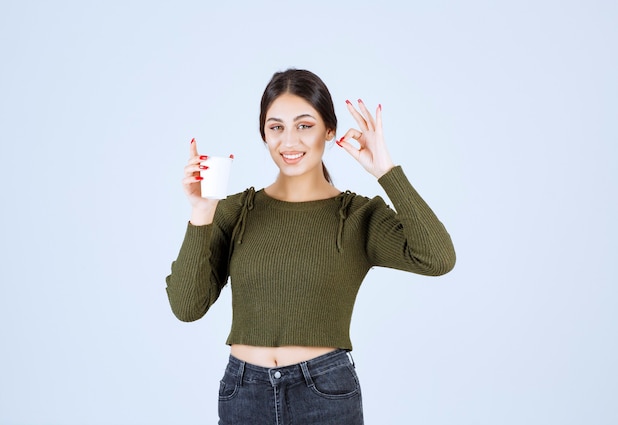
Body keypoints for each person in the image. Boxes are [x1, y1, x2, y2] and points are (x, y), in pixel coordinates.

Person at [165, 68, 456, 424]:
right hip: (243, 392)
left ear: (329, 131)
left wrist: (386, 171)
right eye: (276, 127)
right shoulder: (234, 211)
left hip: (324, 392)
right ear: (264, 134)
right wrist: (201, 211)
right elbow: (186, 306)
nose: (289, 141)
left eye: (304, 125)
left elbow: (438, 258)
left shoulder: (358, 215)